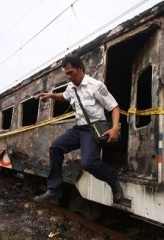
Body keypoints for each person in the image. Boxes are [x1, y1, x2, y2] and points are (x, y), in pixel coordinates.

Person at [34, 54, 123, 203]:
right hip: (78, 129)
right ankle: (54, 189)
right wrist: (51, 95)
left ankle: (113, 179)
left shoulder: (96, 86)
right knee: (55, 147)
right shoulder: (71, 87)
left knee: (88, 163)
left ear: (80, 69)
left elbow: (114, 107)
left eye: (71, 73)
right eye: (66, 73)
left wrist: (115, 128)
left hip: (93, 129)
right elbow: (64, 96)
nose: (69, 77)